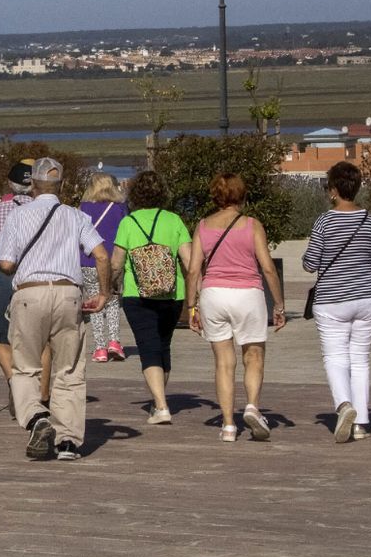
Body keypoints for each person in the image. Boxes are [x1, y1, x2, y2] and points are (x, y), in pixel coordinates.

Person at [0, 158, 110, 461]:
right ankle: (68, 442)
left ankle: (36, 417)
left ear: (32, 184)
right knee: (69, 369)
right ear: (62, 185)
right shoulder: (76, 216)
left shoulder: (17, 216)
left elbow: (5, 263)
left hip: (30, 293)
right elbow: (101, 255)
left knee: (25, 366)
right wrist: (104, 293)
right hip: (68, 293)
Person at [187, 172, 287, 443]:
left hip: (213, 295)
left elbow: (194, 270)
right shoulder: (252, 225)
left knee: (223, 362)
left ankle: (229, 425)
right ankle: (252, 406)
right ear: (242, 195)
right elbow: (268, 268)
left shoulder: (203, 226)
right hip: (248, 294)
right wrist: (279, 305)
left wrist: (192, 306)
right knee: (253, 356)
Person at [303, 161, 371, 443]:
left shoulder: (324, 221)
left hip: (332, 299)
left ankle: (344, 405)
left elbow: (311, 263)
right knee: (360, 359)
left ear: (333, 190)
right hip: (369, 297)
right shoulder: (369, 220)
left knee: (334, 356)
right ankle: (361, 422)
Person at [111, 169, 194, 426]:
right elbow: (189, 262)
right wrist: (196, 296)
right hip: (173, 294)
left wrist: (110, 285)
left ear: (135, 194)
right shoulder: (174, 220)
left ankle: (161, 405)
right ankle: (159, 400)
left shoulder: (128, 223)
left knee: (148, 347)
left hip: (137, 295)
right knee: (163, 346)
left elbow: (116, 263)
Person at [0, 161, 42, 416]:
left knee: (1, 336)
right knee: (35, 336)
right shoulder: (45, 210)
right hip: (36, 276)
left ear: (10, 184)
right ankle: (35, 388)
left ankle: (14, 382)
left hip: (5, 276)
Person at [77, 172, 127, 363]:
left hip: (88, 259)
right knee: (112, 300)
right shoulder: (120, 208)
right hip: (113, 261)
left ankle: (100, 348)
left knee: (94, 302)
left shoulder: (83, 208)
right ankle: (114, 341)